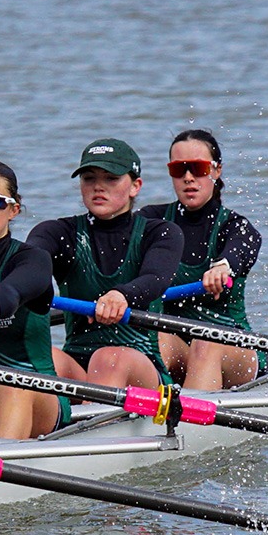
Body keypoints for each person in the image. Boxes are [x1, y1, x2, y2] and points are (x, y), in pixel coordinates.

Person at [26, 138, 182, 389]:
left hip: (140, 365)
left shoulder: (160, 233)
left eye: (111, 178)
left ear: (135, 186)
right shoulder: (57, 233)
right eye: (89, 178)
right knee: (39, 356)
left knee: (108, 358)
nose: (98, 186)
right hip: (78, 363)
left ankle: (90, 424)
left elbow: (155, 279)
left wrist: (121, 295)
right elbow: (30, 264)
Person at [138, 128, 264, 389]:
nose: (188, 177)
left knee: (204, 343)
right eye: (178, 169)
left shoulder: (234, 226)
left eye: (197, 168)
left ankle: (192, 426)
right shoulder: (151, 221)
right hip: (179, 344)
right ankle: (132, 421)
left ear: (216, 171)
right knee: (154, 340)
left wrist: (223, 266)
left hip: (233, 349)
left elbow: (246, 245)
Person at [0, 160, 65, 438]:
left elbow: (12, 291)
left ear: (13, 210)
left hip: (35, 392)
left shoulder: (33, 259)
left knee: (13, 385)